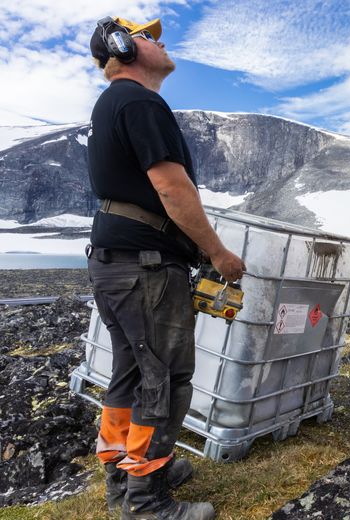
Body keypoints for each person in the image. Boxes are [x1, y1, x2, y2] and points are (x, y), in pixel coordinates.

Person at [87, 15, 244, 519]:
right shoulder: (139, 101)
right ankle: (147, 501)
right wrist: (217, 253)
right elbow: (173, 190)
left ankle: (126, 472)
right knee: (165, 379)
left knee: (132, 374)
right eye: (148, 36)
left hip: (118, 265)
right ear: (122, 47)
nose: (161, 41)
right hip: (145, 268)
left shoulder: (115, 104)